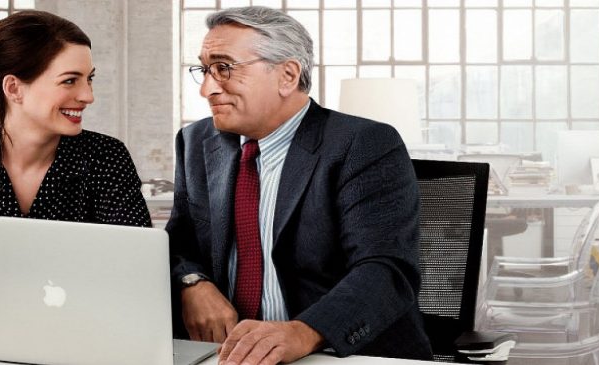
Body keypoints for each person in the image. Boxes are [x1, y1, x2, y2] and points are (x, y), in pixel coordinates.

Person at [167, 6, 432, 365]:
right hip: (227, 354)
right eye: (204, 69)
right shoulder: (196, 141)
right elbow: (177, 241)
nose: (207, 88)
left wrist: (303, 331)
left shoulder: (364, 144)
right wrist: (192, 283)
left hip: (335, 352)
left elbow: (385, 270)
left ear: (287, 75)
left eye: (224, 68)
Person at [0, 10, 151, 320]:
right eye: (70, 80)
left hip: (82, 316)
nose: (88, 96)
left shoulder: (105, 155)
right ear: (14, 88)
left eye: (89, 79)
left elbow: (133, 263)